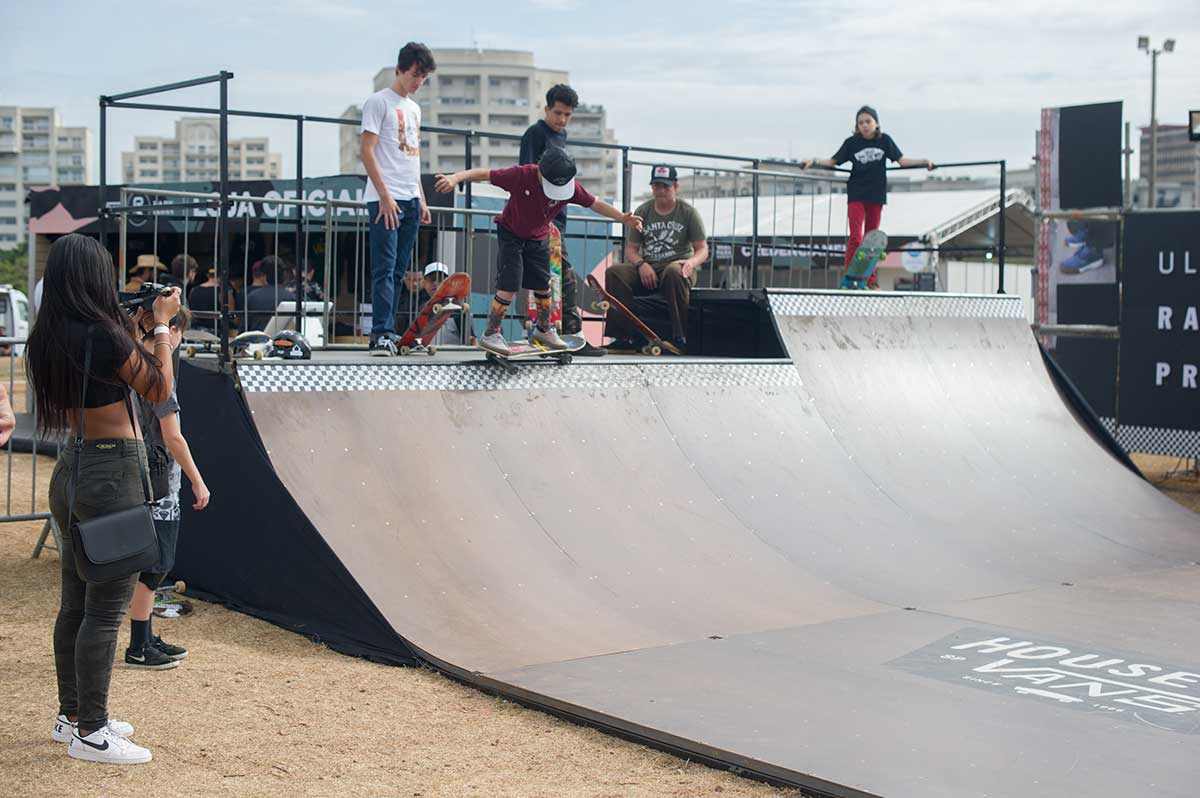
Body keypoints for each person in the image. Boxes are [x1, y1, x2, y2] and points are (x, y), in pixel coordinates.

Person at [26, 233, 180, 765]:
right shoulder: (104, 335)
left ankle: (73, 717)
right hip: (112, 472)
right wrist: (160, 327)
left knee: (75, 604)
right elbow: (158, 388)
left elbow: (108, 375)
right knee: (106, 608)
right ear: (93, 276)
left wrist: (135, 332)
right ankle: (92, 732)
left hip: (72, 466)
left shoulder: (48, 336)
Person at [435, 147, 643, 355]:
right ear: (540, 172)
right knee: (510, 283)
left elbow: (594, 203)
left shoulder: (571, 188)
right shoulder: (522, 175)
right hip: (512, 234)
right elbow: (484, 174)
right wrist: (455, 178)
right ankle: (491, 332)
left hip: (540, 236)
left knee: (543, 285)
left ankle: (543, 330)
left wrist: (622, 218)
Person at [125, 306, 210, 670]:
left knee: (150, 565)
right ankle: (139, 645)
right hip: (159, 484)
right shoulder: (160, 380)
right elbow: (173, 437)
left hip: (135, 476)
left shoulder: (129, 365)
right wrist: (198, 480)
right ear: (170, 330)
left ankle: (143, 638)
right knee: (156, 566)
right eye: (178, 334)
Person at [802, 106, 934, 288]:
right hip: (856, 193)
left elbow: (902, 161)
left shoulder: (885, 141)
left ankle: (870, 279)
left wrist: (923, 162)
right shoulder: (851, 143)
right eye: (860, 123)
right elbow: (833, 161)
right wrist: (814, 161)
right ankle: (849, 277)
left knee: (872, 239)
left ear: (876, 123)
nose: (864, 125)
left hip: (876, 194)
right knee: (856, 236)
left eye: (868, 122)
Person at [361, 42, 437, 356]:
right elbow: (367, 151)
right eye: (415, 75)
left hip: (408, 197)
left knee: (399, 272)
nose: (418, 82)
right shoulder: (378, 102)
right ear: (400, 70)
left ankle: (390, 331)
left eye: (424, 77)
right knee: (384, 268)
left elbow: (412, 158)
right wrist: (384, 196)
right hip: (385, 199)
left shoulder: (414, 109)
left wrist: (420, 198)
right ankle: (380, 333)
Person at [517, 84, 601, 355]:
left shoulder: (561, 136)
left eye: (567, 115)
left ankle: (556, 335)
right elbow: (527, 175)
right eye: (557, 113)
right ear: (546, 109)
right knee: (562, 278)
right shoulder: (535, 135)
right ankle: (572, 336)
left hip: (558, 217)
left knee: (551, 280)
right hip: (541, 221)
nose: (562, 119)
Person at [604, 165, 709, 353]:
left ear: (676, 187)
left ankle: (680, 337)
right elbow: (631, 249)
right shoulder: (643, 211)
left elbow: (702, 249)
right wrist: (641, 264)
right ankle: (625, 338)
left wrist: (691, 263)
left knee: (673, 272)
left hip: (678, 267)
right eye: (656, 186)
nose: (660, 191)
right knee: (614, 272)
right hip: (649, 267)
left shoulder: (688, 212)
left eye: (665, 187)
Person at [245, 256, 297, 331]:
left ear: (264, 275)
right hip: (282, 341)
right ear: (283, 275)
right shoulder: (291, 298)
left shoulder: (252, 297)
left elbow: (244, 328)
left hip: (257, 341)